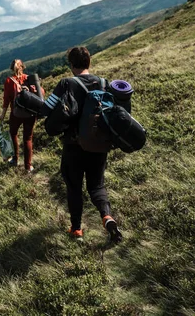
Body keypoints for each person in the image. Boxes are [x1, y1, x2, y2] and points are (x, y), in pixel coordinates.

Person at [43, 46, 123, 244]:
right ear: (89, 62)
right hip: (98, 145)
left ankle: (77, 229)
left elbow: (46, 109)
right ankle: (107, 217)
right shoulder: (103, 83)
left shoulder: (66, 83)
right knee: (97, 186)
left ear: (71, 65)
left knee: (74, 188)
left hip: (73, 146)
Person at [0, 59, 43, 173]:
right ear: (23, 67)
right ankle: (28, 167)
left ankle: (15, 159)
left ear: (11, 68)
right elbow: (41, 93)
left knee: (13, 134)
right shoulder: (30, 78)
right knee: (28, 138)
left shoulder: (9, 81)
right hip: (30, 113)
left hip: (16, 113)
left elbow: (6, 100)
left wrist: (2, 115)